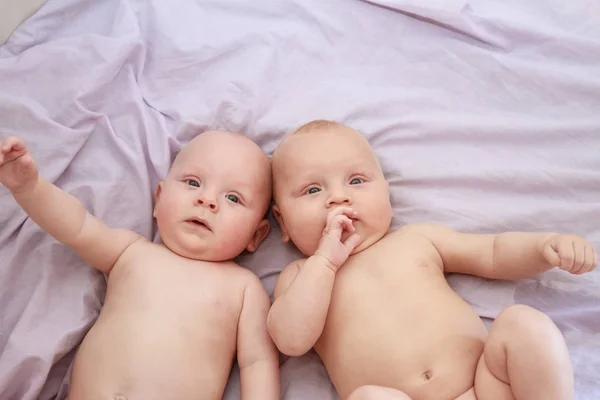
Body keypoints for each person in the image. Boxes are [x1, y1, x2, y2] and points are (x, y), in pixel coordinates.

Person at [267, 120, 597, 400]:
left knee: (524, 323)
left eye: (356, 180)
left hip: (486, 387)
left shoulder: (416, 239)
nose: (339, 197)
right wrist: (324, 262)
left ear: (387, 194)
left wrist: (543, 248)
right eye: (312, 190)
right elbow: (291, 340)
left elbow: (492, 252)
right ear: (283, 222)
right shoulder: (301, 276)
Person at [0, 131, 279, 400]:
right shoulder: (131, 252)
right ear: (159, 199)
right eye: (193, 183)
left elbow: (258, 363)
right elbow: (76, 226)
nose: (206, 200)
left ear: (256, 235)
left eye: (233, 198)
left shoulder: (244, 289)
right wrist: (30, 187)